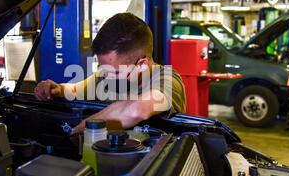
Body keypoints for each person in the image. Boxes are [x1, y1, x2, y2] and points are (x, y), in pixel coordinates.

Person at [34, 13, 186, 134]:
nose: (106, 77)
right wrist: (56, 89)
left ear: (142, 65)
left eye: (116, 71)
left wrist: (79, 129)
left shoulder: (167, 80)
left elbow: (137, 109)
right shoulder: (107, 75)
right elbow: (76, 89)